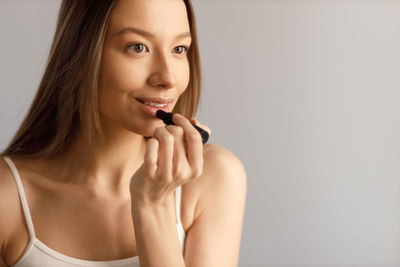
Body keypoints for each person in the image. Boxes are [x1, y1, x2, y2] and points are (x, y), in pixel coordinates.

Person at [0, 0, 247, 266]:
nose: (168, 78)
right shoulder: (7, 198)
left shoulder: (213, 179)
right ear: (80, 53)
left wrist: (153, 205)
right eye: (138, 47)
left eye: (179, 48)